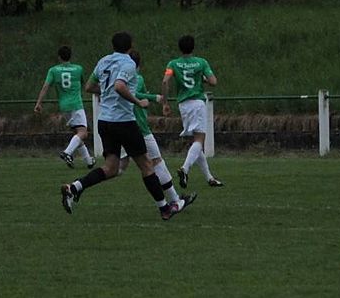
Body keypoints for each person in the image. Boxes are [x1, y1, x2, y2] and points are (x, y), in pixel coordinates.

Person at [60, 32, 190, 221]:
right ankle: (164, 208)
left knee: (111, 168)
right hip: (123, 121)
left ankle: (74, 187)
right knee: (147, 165)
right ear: (130, 46)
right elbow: (119, 86)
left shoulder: (103, 61)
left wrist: (106, 93)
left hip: (104, 121)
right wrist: (138, 102)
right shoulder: (128, 63)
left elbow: (89, 87)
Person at [118, 50, 196, 209]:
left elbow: (133, 94)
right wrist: (155, 97)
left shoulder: (120, 79)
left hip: (123, 126)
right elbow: (134, 93)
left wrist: (148, 98)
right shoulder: (136, 78)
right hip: (139, 128)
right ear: (138, 65)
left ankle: (77, 186)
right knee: (156, 161)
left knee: (118, 168)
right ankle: (175, 200)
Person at [161, 35, 224, 188]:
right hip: (197, 103)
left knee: (195, 142)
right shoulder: (201, 62)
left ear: (180, 48)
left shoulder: (173, 64)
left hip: (183, 105)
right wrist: (203, 79)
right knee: (199, 140)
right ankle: (185, 169)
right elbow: (213, 81)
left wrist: (165, 103)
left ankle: (209, 178)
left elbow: (165, 81)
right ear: (193, 47)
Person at [34, 45, 95, 169]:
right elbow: (85, 84)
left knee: (77, 134)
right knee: (83, 133)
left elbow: (45, 87)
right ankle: (67, 152)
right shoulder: (78, 69)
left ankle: (88, 160)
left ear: (59, 57)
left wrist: (39, 102)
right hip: (76, 104)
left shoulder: (53, 70)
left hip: (64, 106)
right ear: (70, 56)